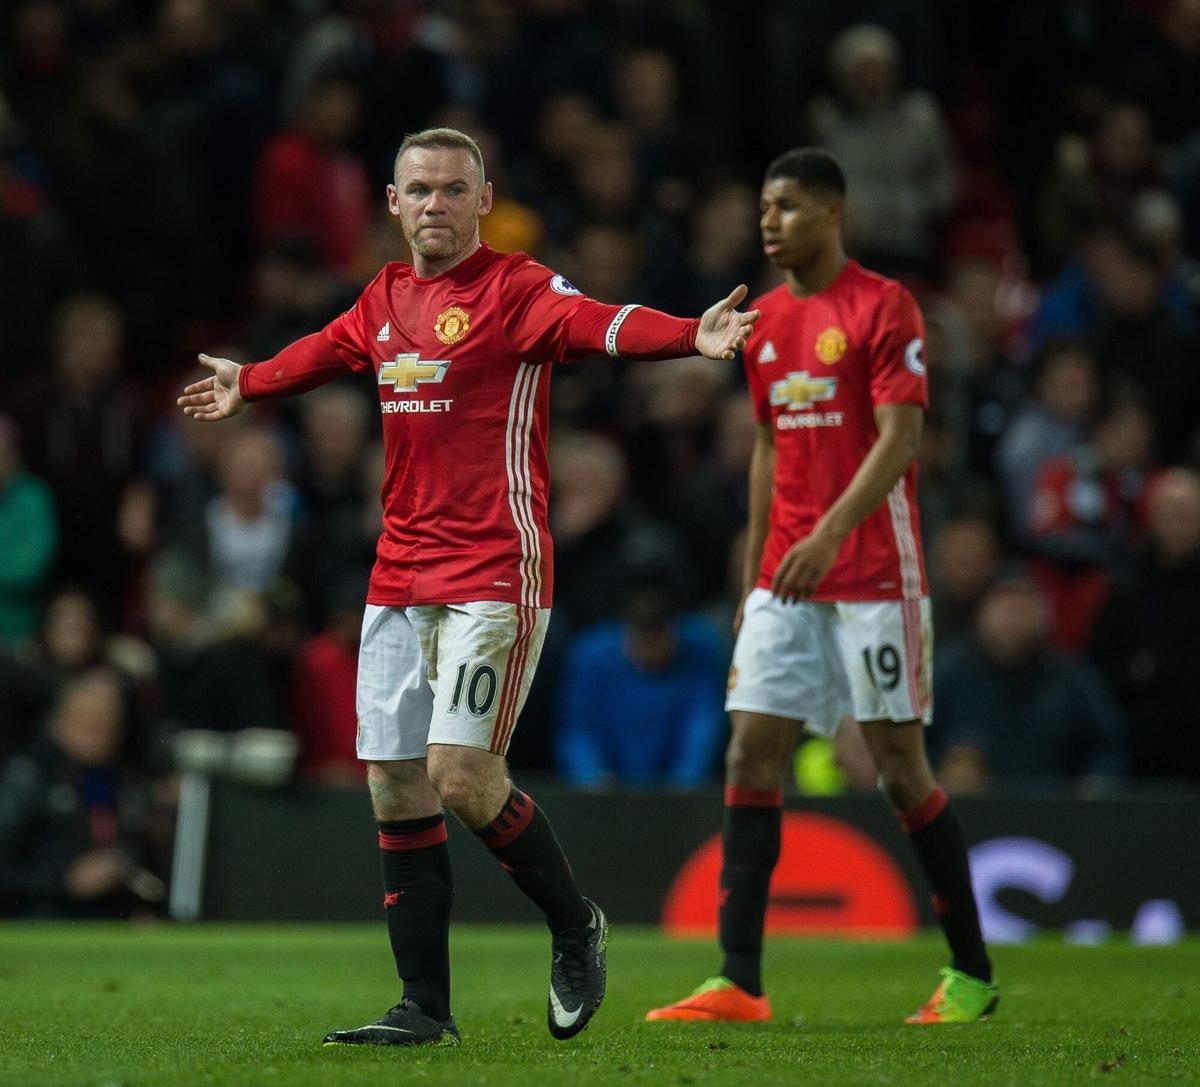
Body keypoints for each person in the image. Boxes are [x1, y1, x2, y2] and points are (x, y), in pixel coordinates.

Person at [177, 126, 757, 1048]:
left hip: (494, 571)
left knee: (460, 773)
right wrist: (251, 380)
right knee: (397, 784)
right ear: (393, 201)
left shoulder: (515, 290)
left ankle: (577, 925)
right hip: (398, 572)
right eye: (421, 189)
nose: (437, 205)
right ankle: (424, 1008)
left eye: (454, 189)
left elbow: (601, 323)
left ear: (484, 200)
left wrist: (693, 333)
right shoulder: (385, 296)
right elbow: (330, 348)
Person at [645, 148, 997, 1028]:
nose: (770, 221)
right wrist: (756, 566)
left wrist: (830, 533)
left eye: (789, 206)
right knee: (750, 752)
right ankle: (738, 980)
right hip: (784, 577)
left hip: (875, 570)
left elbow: (901, 437)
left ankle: (973, 974)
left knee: (898, 767)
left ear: (833, 214)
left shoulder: (883, 305)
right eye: (765, 206)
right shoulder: (761, 321)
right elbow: (768, 443)